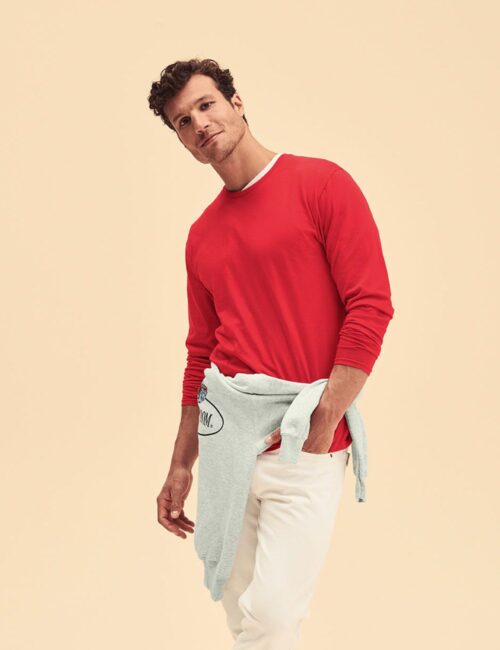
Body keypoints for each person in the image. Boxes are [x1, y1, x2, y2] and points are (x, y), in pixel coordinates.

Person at [148, 58, 395, 648]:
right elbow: (200, 352)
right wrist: (182, 463)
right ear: (181, 140)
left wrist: (326, 417)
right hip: (226, 441)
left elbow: (370, 305)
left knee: (274, 615)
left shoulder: (321, 184)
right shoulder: (202, 235)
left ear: (236, 103)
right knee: (242, 618)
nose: (199, 124)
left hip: (302, 439)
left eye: (206, 105)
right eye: (183, 121)